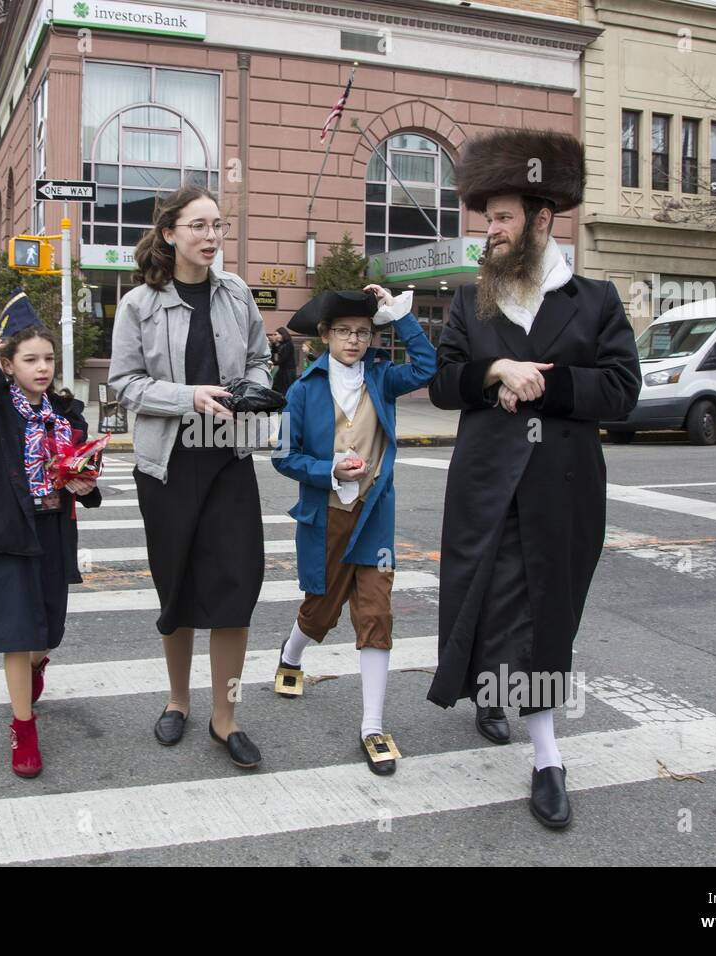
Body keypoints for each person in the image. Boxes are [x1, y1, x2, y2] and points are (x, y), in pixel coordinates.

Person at [425, 129, 640, 828]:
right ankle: (491, 693)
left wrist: (543, 385)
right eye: (487, 218)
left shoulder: (596, 300)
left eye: (504, 217)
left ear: (543, 220)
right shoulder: (470, 301)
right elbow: (444, 383)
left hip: (562, 488)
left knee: (548, 615)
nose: (490, 230)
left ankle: (547, 758)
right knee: (485, 599)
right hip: (485, 485)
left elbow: (621, 390)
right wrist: (493, 371)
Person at [109, 185, 272, 769]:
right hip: (168, 464)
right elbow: (123, 384)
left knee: (236, 589)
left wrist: (254, 388)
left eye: (218, 226)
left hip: (229, 457)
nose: (211, 236)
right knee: (175, 586)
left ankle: (224, 717)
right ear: (170, 232)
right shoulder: (140, 304)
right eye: (198, 226)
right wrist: (188, 396)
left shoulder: (236, 294)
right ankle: (177, 701)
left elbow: (259, 357)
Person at [272, 286, 435, 774]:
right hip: (327, 517)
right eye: (343, 331)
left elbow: (428, 368)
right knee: (320, 612)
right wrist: (327, 471)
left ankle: (372, 724)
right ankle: (292, 652)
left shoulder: (383, 378)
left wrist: (400, 316)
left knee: (375, 614)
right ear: (324, 335)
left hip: (374, 514)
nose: (354, 340)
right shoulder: (304, 389)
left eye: (363, 332)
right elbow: (284, 456)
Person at [0, 321, 101, 777]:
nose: (42, 368)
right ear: (11, 364)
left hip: (53, 529)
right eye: (30, 359)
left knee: (47, 630)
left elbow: (85, 478)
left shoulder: (67, 413)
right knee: (16, 630)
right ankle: (23, 728)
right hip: (7, 531)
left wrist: (85, 484)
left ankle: (38, 664)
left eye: (48, 359)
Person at [271, 325, 298, 395]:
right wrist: (273, 344)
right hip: (282, 370)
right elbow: (274, 357)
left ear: (282, 334)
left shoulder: (288, 344)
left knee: (287, 390)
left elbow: (282, 359)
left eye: (276, 334)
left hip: (288, 372)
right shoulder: (281, 345)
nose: (275, 336)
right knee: (276, 388)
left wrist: (273, 363)